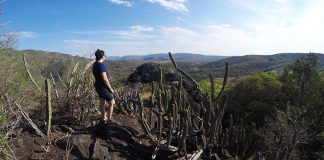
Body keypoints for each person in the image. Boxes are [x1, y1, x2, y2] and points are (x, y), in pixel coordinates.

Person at [92, 49, 115, 122]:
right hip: (103, 87)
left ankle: (103, 118)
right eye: (105, 55)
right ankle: (109, 119)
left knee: (102, 101)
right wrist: (110, 88)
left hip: (98, 86)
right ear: (102, 56)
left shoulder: (95, 64)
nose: (105, 56)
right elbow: (104, 78)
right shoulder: (101, 65)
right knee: (112, 103)